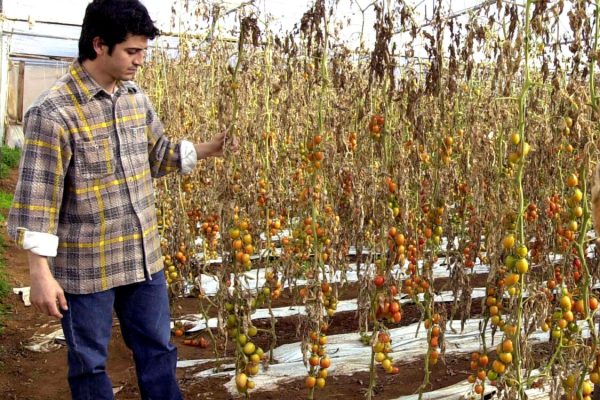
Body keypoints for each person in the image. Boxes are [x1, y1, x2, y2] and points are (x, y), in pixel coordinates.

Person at [7, 0, 228, 399]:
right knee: (90, 364)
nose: (140, 61)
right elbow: (38, 199)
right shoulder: (54, 113)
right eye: (132, 51)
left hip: (142, 259)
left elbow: (157, 154)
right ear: (98, 45)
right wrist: (40, 274)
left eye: (143, 51)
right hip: (86, 267)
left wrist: (209, 148)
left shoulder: (134, 98)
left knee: (158, 352)